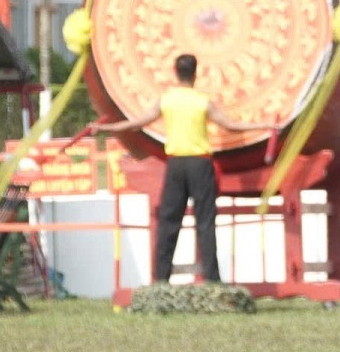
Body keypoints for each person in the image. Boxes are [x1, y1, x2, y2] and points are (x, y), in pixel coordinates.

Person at [97, 54, 268, 285]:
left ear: (175, 72)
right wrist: (265, 126)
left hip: (176, 165)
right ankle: (212, 279)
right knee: (205, 222)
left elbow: (137, 123)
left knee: (169, 221)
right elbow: (231, 125)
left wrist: (105, 127)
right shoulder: (202, 101)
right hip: (200, 163)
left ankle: (161, 278)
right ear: (195, 73)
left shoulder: (166, 99)